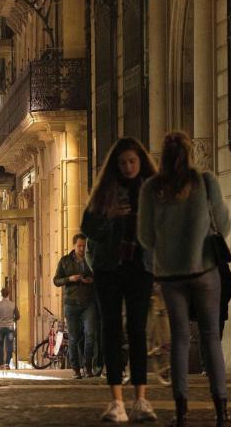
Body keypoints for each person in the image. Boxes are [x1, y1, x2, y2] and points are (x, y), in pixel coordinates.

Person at [138, 131, 231, 427]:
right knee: (211, 339)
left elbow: (144, 236)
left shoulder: (151, 188)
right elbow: (225, 226)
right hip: (204, 270)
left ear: (161, 157)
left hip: (170, 275)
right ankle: (222, 412)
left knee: (179, 340)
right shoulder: (206, 182)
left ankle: (181, 413)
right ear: (190, 154)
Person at [80, 137, 157, 423]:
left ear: (141, 161)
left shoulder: (151, 190)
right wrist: (109, 217)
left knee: (137, 330)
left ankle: (141, 399)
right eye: (123, 162)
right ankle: (117, 402)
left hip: (140, 267)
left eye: (132, 161)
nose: (128, 167)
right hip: (109, 269)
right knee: (111, 331)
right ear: (116, 164)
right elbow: (87, 227)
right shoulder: (104, 192)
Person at [54, 233, 97, 379]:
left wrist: (92, 280)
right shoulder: (65, 261)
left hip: (88, 302)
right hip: (71, 303)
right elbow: (56, 280)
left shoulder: (90, 260)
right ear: (74, 245)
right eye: (79, 246)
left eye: (84, 246)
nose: (81, 248)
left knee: (90, 335)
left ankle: (88, 367)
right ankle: (76, 369)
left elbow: (99, 276)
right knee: (73, 337)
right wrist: (69, 279)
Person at [0, 288, 19, 370]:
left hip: (0, 327)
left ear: (2, 294)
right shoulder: (13, 304)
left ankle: (1, 364)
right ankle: (7, 363)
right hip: (10, 327)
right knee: (9, 345)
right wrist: (12, 320)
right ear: (9, 294)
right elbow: (18, 316)